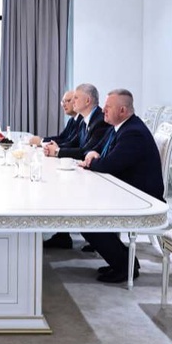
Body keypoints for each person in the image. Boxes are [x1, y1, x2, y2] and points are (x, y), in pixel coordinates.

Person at [80, 89, 164, 283]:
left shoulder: (134, 133)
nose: (103, 111)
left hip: (143, 198)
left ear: (123, 111)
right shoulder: (118, 127)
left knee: (86, 218)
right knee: (85, 213)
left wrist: (92, 161)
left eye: (108, 107)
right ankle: (124, 261)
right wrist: (92, 155)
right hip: (126, 190)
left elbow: (109, 165)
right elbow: (95, 150)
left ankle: (125, 266)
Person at [42, 83, 111, 250]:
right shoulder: (84, 120)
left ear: (87, 101)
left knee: (62, 187)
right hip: (90, 167)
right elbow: (73, 143)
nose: (72, 102)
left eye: (75, 98)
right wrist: (55, 149)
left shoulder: (99, 120)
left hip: (101, 175)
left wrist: (57, 152)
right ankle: (62, 235)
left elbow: (85, 151)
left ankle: (75, 236)